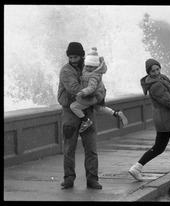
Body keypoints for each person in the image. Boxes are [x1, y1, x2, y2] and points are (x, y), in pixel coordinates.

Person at [57, 42, 102, 189]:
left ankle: (92, 179)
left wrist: (97, 92)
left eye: (75, 56)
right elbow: (74, 89)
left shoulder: (89, 68)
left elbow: (101, 86)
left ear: (82, 55)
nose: (72, 60)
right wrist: (94, 91)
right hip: (70, 112)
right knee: (69, 148)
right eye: (70, 57)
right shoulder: (66, 71)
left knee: (91, 148)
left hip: (88, 111)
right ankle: (69, 178)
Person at [70, 47, 128, 133]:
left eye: (91, 67)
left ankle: (85, 120)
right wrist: (92, 53)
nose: (88, 68)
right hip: (98, 95)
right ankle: (116, 113)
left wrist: (82, 92)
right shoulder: (87, 70)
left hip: (93, 95)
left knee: (73, 106)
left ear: (96, 66)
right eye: (87, 66)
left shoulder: (94, 75)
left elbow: (91, 87)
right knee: (99, 108)